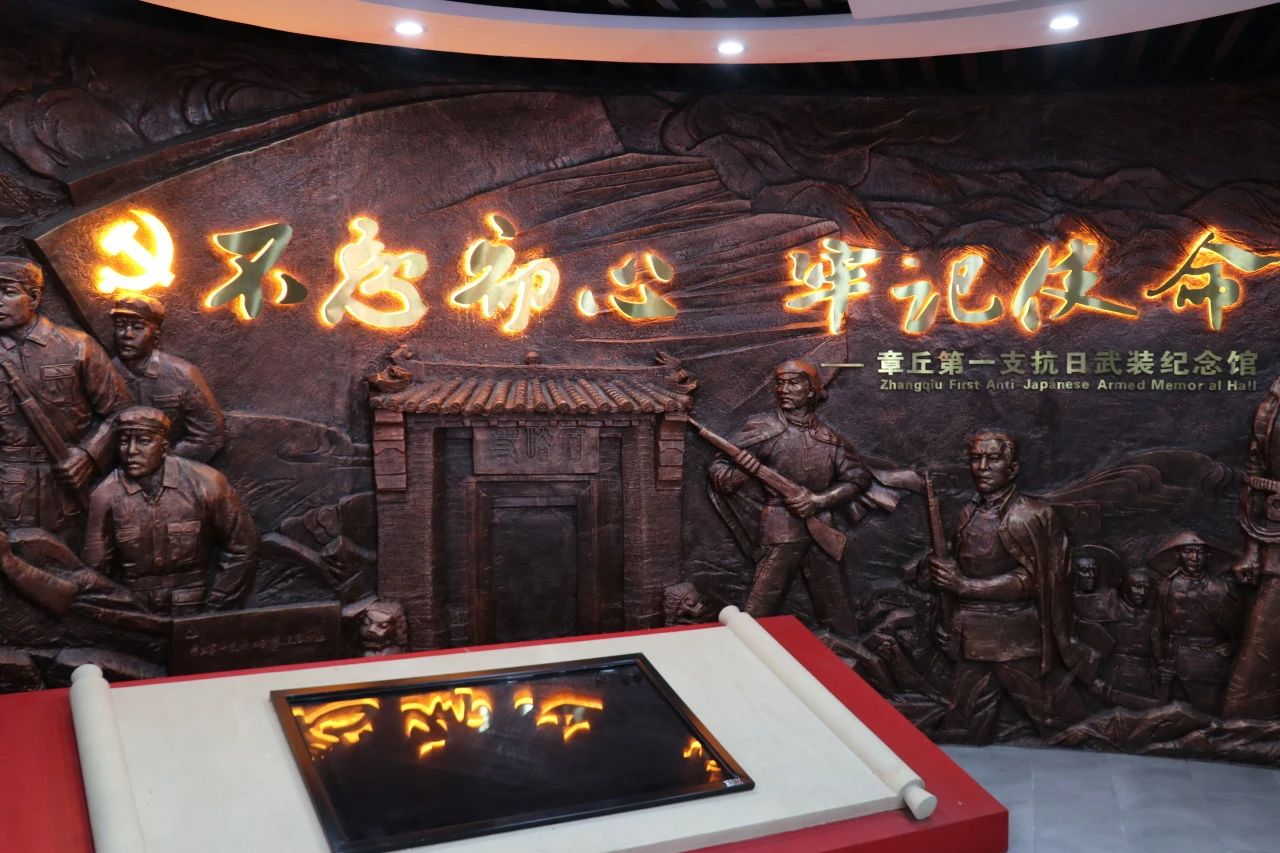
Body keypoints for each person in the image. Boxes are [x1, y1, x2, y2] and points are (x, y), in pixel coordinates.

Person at [928, 430, 1095, 741]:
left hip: (1014, 637)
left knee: (1057, 717)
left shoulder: (1031, 515)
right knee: (963, 722)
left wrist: (965, 586)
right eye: (976, 459)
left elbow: (1033, 579)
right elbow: (961, 564)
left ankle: (1112, 734)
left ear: (1013, 468)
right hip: (971, 635)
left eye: (993, 459)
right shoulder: (968, 512)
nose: (982, 467)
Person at [708, 358, 870, 634]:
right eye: (780, 383)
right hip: (780, 531)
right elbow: (719, 470)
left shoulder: (829, 439)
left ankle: (844, 656)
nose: (784, 389)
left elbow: (858, 477)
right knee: (757, 613)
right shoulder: (761, 428)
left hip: (822, 532)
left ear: (812, 390)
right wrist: (743, 472)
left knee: (839, 616)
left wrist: (819, 501)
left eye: (793, 383)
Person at [0, 256, 131, 542]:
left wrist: (88, 456)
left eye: (7, 292)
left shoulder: (77, 346)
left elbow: (122, 413)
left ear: (34, 297)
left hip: (71, 481)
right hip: (9, 486)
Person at [81, 406, 258, 616]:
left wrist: (217, 605)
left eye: (144, 441)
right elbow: (96, 570)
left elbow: (243, 548)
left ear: (164, 447)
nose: (131, 451)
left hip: (198, 605)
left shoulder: (207, 484)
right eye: (124, 441)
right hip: (136, 611)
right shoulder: (105, 495)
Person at [111, 295, 225, 462]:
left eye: (138, 327)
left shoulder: (182, 374)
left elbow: (210, 435)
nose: (127, 334)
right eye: (120, 326)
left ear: (156, 336)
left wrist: (162, 461)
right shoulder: (102, 373)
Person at [1225, 373, 1280, 718]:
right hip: (1275, 539)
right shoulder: (1270, 409)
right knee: (1264, 635)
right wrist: (1253, 552)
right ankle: (1247, 715)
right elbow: (1254, 475)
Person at [1153, 533, 1243, 716]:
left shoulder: (1220, 587)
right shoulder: (1166, 586)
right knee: (1173, 715)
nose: (1194, 558)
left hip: (1209, 660)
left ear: (1207, 556)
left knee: (1208, 713)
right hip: (1173, 660)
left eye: (1199, 552)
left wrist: (1232, 646)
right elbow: (1156, 627)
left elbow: (1239, 625)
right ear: (1178, 555)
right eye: (1188, 551)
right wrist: (1158, 659)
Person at [1098, 568, 1160, 708]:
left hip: (1144, 674)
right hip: (1116, 673)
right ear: (1126, 587)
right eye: (1137, 587)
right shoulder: (1112, 610)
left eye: (1146, 588)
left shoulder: (1152, 616)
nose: (1142, 592)